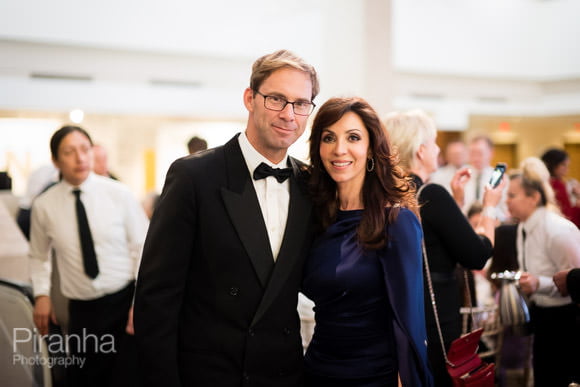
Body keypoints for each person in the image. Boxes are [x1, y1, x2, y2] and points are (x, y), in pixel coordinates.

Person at [133, 49, 319, 387]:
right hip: (209, 374)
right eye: (276, 99)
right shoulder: (194, 177)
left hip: (283, 374)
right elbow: (156, 298)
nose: (289, 114)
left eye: (301, 103)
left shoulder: (312, 185)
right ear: (250, 98)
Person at [302, 98, 432, 386]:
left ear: (371, 147)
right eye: (328, 138)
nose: (339, 149)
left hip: (375, 375)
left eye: (353, 137)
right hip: (316, 370)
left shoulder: (396, 221)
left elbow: (409, 320)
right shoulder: (315, 217)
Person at [384, 110, 505, 387]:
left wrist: (457, 204)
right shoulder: (431, 195)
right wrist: (490, 205)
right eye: (435, 142)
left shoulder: (387, 194)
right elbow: (477, 254)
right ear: (421, 149)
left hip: (399, 314)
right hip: (435, 317)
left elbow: (435, 241)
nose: (439, 150)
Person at [29, 125, 149, 387]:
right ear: (55, 160)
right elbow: (39, 256)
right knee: (84, 378)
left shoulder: (119, 194)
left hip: (124, 302)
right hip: (82, 309)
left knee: (127, 377)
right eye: (69, 152)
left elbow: (143, 248)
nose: (80, 158)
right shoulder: (44, 206)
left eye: (84, 149)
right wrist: (41, 295)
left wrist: (139, 302)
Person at [506, 157, 580, 386]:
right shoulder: (523, 227)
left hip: (566, 320)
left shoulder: (557, 230)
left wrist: (540, 283)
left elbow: (575, 279)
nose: (506, 201)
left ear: (534, 197)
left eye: (512, 195)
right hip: (542, 315)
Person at [540, 147, 580, 227]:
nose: (567, 169)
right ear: (553, 165)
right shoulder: (556, 184)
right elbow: (567, 215)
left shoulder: (543, 181)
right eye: (563, 165)